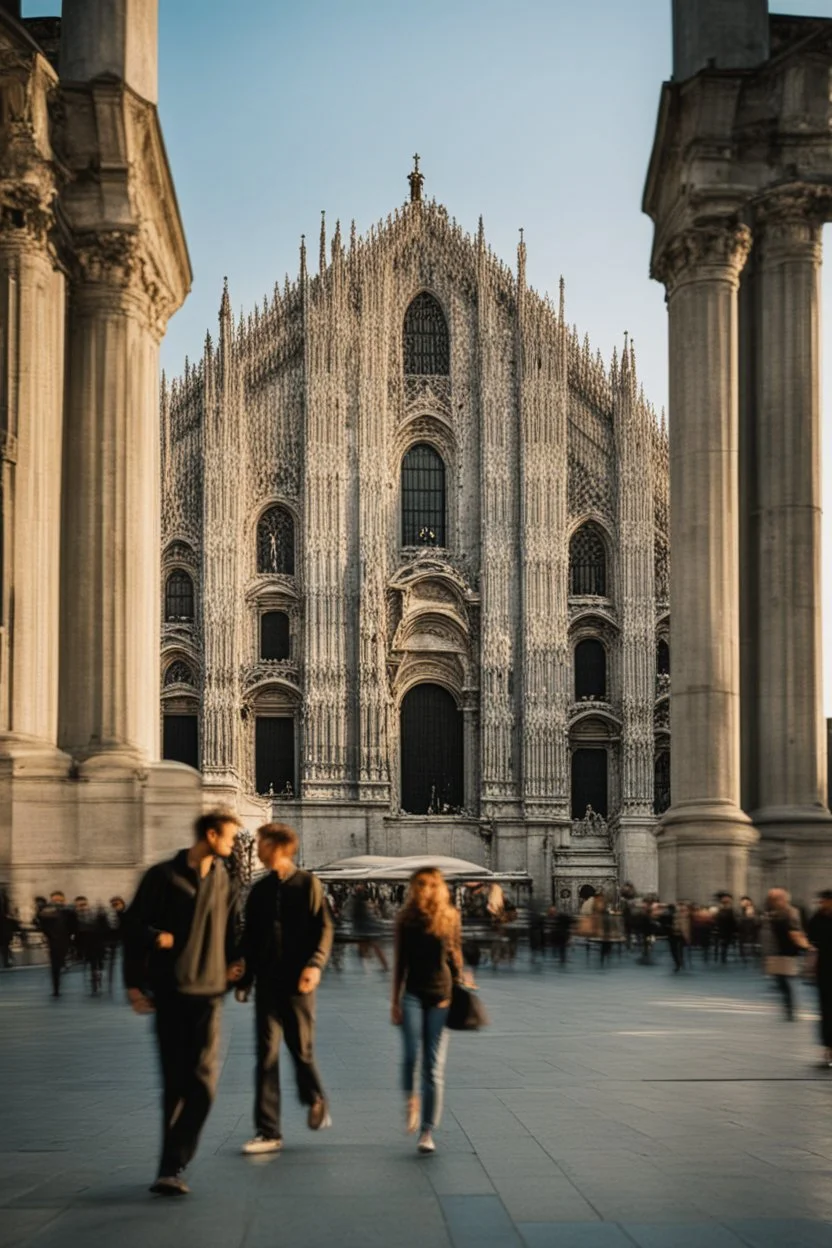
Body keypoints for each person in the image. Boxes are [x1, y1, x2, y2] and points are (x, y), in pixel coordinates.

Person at [122, 809, 245, 1196]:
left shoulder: (225, 879)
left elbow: (232, 931)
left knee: (204, 1084)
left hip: (209, 992)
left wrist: (240, 968)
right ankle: (169, 1168)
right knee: (175, 1082)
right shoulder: (162, 876)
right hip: (171, 989)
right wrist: (136, 981)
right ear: (210, 835)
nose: (233, 844)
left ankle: (175, 1158)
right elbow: (131, 926)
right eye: (229, 837)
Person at [236, 822, 333, 1154]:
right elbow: (249, 939)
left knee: (300, 1049)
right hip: (266, 982)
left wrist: (315, 965)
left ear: (277, 846)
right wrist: (243, 979)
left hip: (299, 983)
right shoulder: (259, 891)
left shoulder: (308, 884)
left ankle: (315, 1097)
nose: (256, 849)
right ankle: (268, 1131)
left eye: (261, 843)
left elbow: (324, 928)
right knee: (266, 1055)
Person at [391, 868, 464, 1155]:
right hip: (412, 993)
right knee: (410, 1056)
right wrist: (394, 1002)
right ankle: (412, 1100)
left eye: (429, 885)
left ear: (438, 888)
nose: (423, 890)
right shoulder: (405, 919)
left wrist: (461, 975)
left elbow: (455, 953)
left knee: (433, 1068)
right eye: (419, 885)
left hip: (441, 996)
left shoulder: (450, 917)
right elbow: (399, 963)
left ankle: (427, 1130)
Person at [762, 887, 809, 1021]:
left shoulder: (790, 912)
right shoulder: (772, 912)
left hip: (786, 951)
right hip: (775, 951)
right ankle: (789, 1007)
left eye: (775, 898)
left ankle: (790, 1009)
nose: (772, 901)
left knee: (784, 981)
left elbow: (795, 931)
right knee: (781, 980)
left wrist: (805, 946)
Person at [807, 890, 832, 1065]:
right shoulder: (817, 918)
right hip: (825, 970)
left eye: (824, 901)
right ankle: (828, 1050)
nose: (821, 904)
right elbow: (812, 941)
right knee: (826, 1011)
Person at [35, 891, 74, 997]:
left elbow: (73, 924)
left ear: (63, 900)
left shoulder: (67, 911)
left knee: (59, 962)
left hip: (66, 940)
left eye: (59, 900)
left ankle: (64, 964)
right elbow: (39, 921)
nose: (57, 902)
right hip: (54, 941)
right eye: (55, 900)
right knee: (55, 966)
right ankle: (56, 988)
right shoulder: (47, 912)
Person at [714, 893, 738, 965]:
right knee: (724, 943)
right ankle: (723, 957)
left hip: (726, 929)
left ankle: (722, 956)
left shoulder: (728, 910)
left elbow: (732, 921)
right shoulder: (723, 910)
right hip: (724, 929)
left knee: (724, 943)